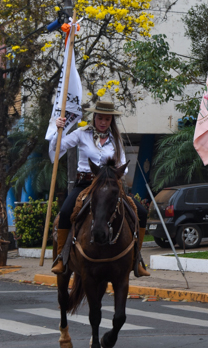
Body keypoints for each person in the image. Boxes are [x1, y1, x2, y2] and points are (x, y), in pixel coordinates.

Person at [48, 99, 149, 277]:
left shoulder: (116, 139)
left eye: (107, 119)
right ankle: (61, 258)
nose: (103, 122)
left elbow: (122, 164)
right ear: (94, 117)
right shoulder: (81, 133)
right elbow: (58, 148)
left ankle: (136, 259)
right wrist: (58, 130)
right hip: (86, 184)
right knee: (65, 212)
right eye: (100, 118)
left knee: (140, 212)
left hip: (110, 185)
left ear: (111, 120)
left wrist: (116, 173)